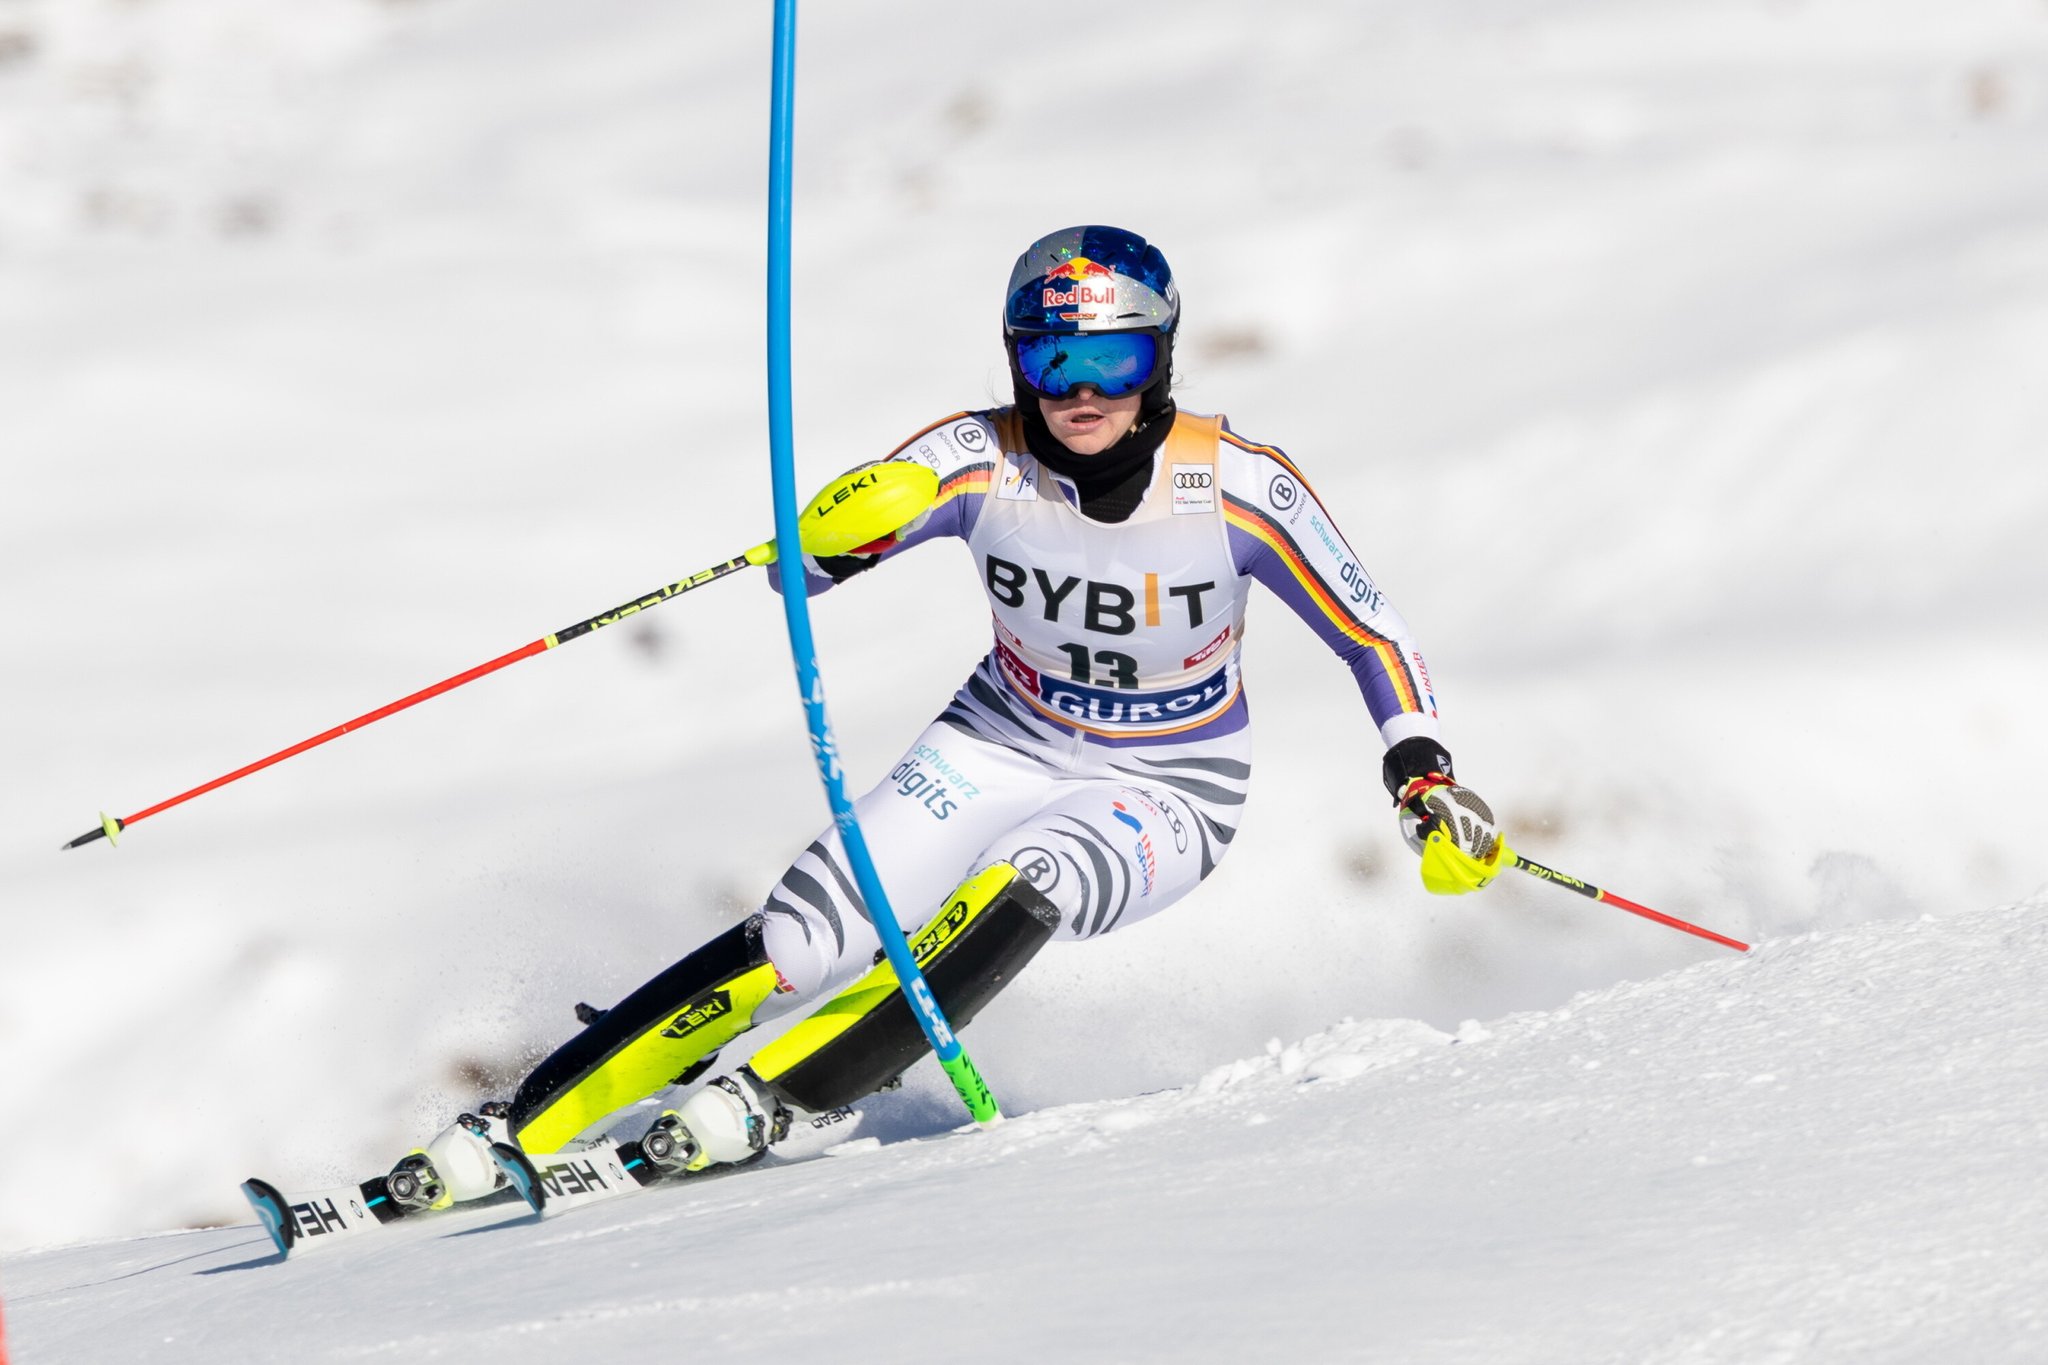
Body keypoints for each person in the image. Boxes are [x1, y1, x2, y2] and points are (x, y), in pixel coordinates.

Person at [405, 225, 1506, 1206]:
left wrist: (1421, 772)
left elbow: (1373, 634)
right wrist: (838, 530)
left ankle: (788, 1093)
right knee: (798, 939)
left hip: (1169, 784)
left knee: (1029, 876)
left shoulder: (1238, 487)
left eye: (1114, 361)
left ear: (1161, 359)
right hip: (995, 738)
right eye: (1052, 361)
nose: (1081, 394)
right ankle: (525, 1121)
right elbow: (802, 574)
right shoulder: (981, 456)